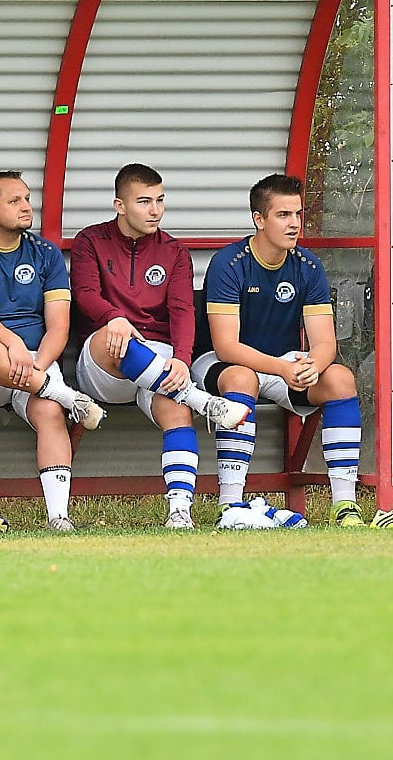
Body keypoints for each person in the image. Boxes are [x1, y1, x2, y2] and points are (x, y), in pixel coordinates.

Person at [190, 173, 393, 528]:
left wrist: (313, 365)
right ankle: (230, 504)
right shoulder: (229, 263)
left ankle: (345, 505)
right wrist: (283, 369)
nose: (294, 223)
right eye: (283, 215)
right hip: (220, 362)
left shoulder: (308, 266)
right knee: (242, 378)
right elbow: (226, 345)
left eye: (298, 214)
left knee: (340, 379)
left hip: (281, 362)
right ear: (259, 219)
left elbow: (325, 342)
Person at [70, 164, 251, 530]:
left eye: (160, 200)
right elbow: (85, 294)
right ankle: (202, 401)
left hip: (157, 360)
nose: (155, 210)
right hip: (104, 365)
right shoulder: (90, 240)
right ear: (120, 205)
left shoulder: (175, 252)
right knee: (117, 338)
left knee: (176, 407)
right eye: (144, 202)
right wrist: (113, 316)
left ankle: (179, 511)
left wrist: (182, 359)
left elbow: (183, 311)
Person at [0, 170, 104, 531]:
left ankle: (58, 517)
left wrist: (38, 365)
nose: (26, 207)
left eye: (27, 199)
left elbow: (58, 326)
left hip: (33, 365)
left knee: (50, 412)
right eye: (14, 201)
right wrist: (13, 343)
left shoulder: (45, 253)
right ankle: (68, 397)